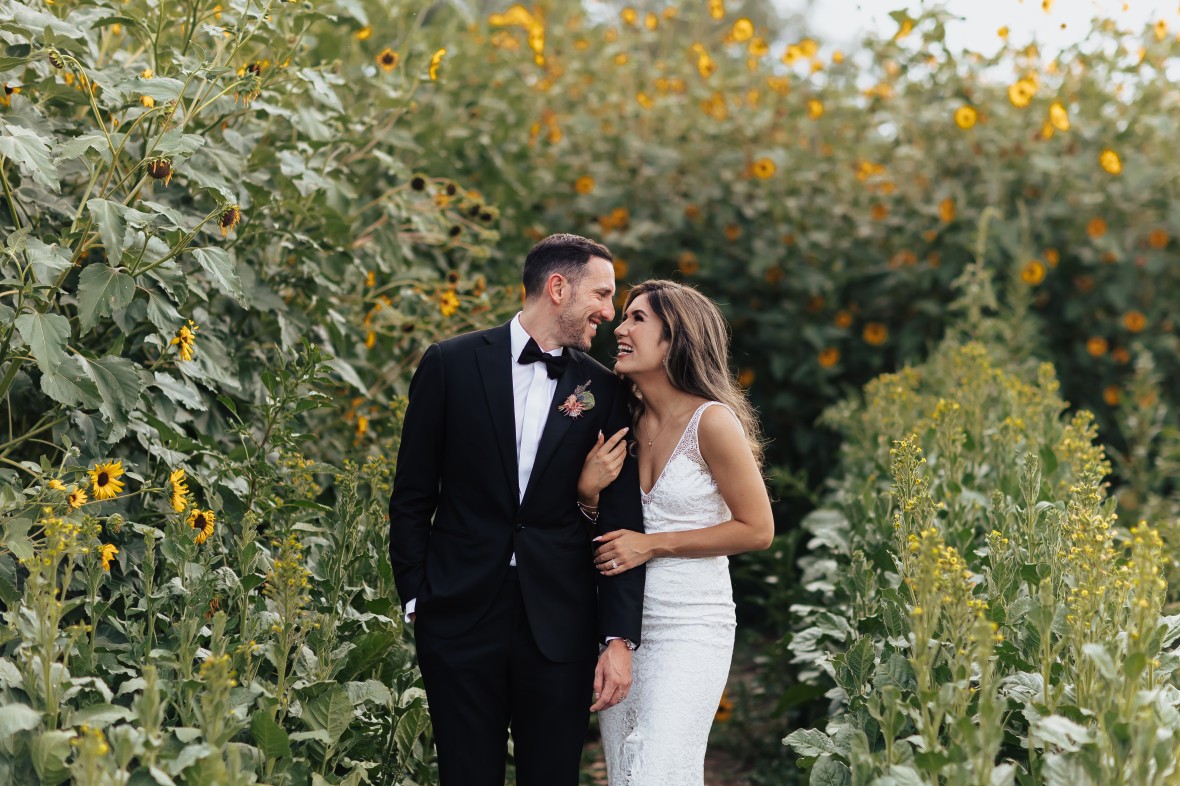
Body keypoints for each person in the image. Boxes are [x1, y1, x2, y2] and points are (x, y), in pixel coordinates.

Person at [387, 233, 646, 786]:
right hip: (457, 614)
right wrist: (417, 599)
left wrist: (618, 637)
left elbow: (622, 521)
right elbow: (412, 495)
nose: (608, 311)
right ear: (557, 288)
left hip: (559, 622)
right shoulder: (449, 364)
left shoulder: (603, 389)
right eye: (601, 294)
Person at [577, 279, 774, 786]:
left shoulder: (712, 423)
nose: (619, 328)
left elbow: (758, 530)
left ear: (676, 339)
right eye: (623, 317)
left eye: (637, 319)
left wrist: (654, 544)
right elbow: (605, 533)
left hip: (692, 624)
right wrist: (588, 494)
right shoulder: (622, 418)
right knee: (625, 772)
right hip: (624, 627)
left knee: (657, 769)